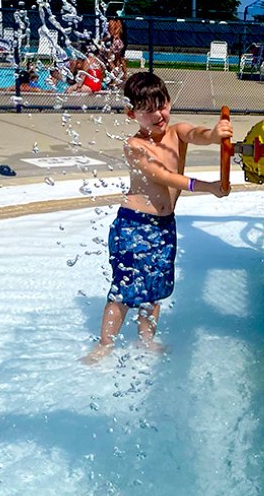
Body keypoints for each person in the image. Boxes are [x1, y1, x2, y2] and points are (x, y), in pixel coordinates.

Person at [81, 71, 232, 364]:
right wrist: (207, 187)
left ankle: (146, 340)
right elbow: (163, 177)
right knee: (124, 288)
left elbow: (197, 133)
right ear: (132, 113)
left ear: (169, 102)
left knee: (155, 288)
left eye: (161, 105)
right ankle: (104, 344)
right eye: (148, 110)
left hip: (164, 226)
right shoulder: (135, 146)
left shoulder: (177, 133)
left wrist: (215, 135)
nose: (158, 115)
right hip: (134, 224)